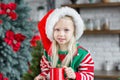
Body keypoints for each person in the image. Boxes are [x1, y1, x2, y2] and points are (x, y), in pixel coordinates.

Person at [34, 7, 94, 80]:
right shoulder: (48, 53)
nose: (61, 34)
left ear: (73, 32)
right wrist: (42, 76)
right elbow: (45, 72)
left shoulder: (82, 55)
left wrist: (75, 75)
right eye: (57, 29)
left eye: (66, 30)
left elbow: (89, 77)